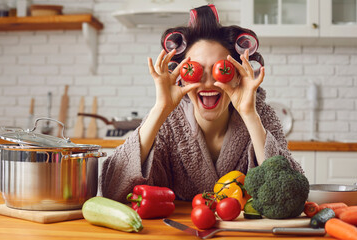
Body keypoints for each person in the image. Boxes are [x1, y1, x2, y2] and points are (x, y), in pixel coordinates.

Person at [101, 4, 303, 202]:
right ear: (181, 77)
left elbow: (290, 193)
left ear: (238, 76)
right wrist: (160, 109)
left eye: (221, 69)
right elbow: (112, 188)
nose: (208, 82)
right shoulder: (168, 121)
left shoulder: (261, 115)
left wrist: (249, 115)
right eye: (194, 70)